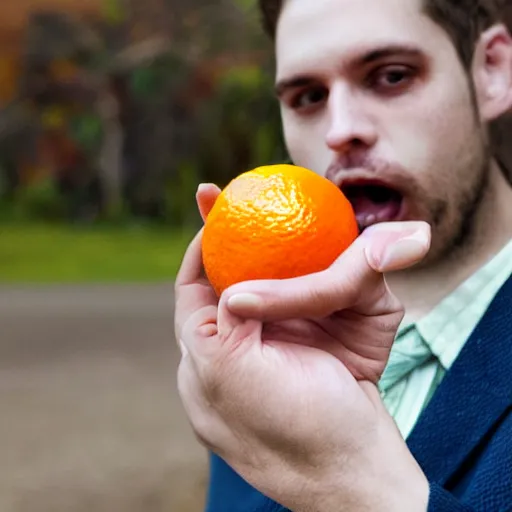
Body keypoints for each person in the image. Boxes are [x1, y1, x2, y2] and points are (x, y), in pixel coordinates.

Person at [174, 0, 512, 510]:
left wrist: (359, 490)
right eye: (308, 96)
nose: (340, 130)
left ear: (493, 70)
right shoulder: (255, 361)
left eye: (392, 76)